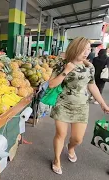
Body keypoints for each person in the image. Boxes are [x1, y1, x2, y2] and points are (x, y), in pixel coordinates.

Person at [48, 37, 109, 175]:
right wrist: (66, 71)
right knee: (60, 134)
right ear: (75, 48)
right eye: (83, 49)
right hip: (62, 103)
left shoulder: (89, 67)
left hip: (81, 106)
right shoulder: (61, 64)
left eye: (88, 49)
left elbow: (92, 85)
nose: (86, 52)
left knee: (78, 138)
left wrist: (103, 103)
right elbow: (51, 84)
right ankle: (57, 160)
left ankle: (71, 148)